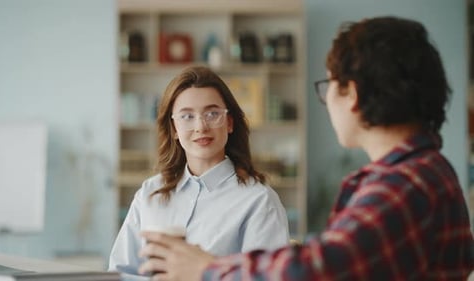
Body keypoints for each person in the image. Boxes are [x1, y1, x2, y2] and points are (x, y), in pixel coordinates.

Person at [138, 16, 474, 280]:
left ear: (351, 94)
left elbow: (315, 271)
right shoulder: (421, 172)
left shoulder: (404, 184)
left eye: (329, 85)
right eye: (186, 116)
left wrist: (206, 270)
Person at [108, 66, 290, 276]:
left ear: (229, 122)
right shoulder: (150, 193)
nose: (201, 126)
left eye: (212, 114)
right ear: (174, 129)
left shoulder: (259, 200)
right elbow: (120, 273)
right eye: (187, 116)